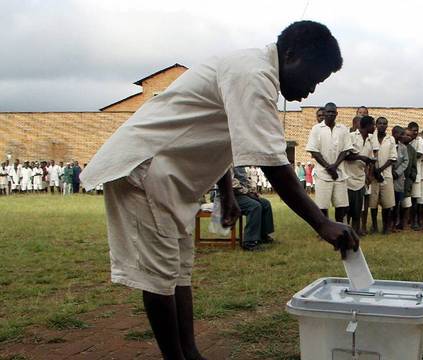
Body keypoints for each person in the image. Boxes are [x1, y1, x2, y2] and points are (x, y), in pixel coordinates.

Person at [79, 21, 357, 360]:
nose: (311, 90)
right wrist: (321, 223)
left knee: (178, 270)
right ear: (292, 55)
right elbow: (273, 163)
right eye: (313, 77)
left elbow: (225, 136)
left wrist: (226, 193)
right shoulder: (253, 74)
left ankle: (190, 353)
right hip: (145, 169)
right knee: (160, 276)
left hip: (168, 179)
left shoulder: (254, 72)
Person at [306, 102, 352, 223]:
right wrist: (329, 167)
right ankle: (325, 229)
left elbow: (346, 150)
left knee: (341, 205)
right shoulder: (316, 129)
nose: (330, 114)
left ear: (336, 114)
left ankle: (340, 227)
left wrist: (335, 166)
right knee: (322, 206)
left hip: (339, 173)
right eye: (328, 112)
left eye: (333, 112)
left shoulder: (343, 129)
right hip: (322, 173)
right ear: (324, 113)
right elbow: (314, 152)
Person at [344, 115, 377, 235]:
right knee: (347, 208)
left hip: (360, 179)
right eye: (373, 125)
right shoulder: (352, 137)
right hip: (348, 178)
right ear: (367, 126)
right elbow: (345, 156)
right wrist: (360, 157)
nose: (374, 127)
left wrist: (369, 174)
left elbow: (370, 160)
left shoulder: (370, 141)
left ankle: (355, 232)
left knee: (358, 209)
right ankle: (345, 231)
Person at [232, 166, 275, 250]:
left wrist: (252, 191)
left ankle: (262, 235)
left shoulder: (239, 164)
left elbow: (245, 180)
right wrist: (247, 192)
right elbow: (232, 183)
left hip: (241, 194)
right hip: (229, 196)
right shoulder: (226, 163)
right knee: (254, 206)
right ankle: (249, 242)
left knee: (265, 203)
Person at [369, 117, 397, 234]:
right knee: (373, 203)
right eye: (379, 123)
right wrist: (375, 171)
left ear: (387, 126)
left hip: (386, 175)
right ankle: (374, 226)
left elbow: (392, 158)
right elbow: (369, 155)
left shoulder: (390, 139)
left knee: (387, 203)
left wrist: (380, 170)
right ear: (376, 125)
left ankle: (386, 226)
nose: (382, 125)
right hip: (373, 176)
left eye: (384, 124)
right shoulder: (371, 138)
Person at [391, 126, 409, 232]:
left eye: (403, 134)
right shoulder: (388, 143)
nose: (402, 136)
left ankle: (394, 224)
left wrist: (397, 172)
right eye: (400, 134)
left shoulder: (403, 147)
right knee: (388, 204)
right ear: (393, 133)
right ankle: (387, 224)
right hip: (388, 176)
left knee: (397, 203)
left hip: (398, 178)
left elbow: (405, 161)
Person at [401, 128, 418, 229]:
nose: (407, 137)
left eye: (409, 135)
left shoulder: (412, 150)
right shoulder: (396, 146)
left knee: (407, 203)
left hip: (407, 180)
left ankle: (404, 223)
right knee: (396, 203)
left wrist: (411, 178)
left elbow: (414, 167)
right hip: (397, 178)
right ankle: (395, 222)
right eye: (405, 135)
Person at [407, 122, 423, 229]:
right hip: (405, 174)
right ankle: (404, 220)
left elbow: (420, 154)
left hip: (415, 175)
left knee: (414, 199)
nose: (415, 132)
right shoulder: (405, 139)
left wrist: (408, 154)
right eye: (413, 130)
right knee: (404, 199)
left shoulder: (419, 141)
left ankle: (414, 221)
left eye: (417, 130)